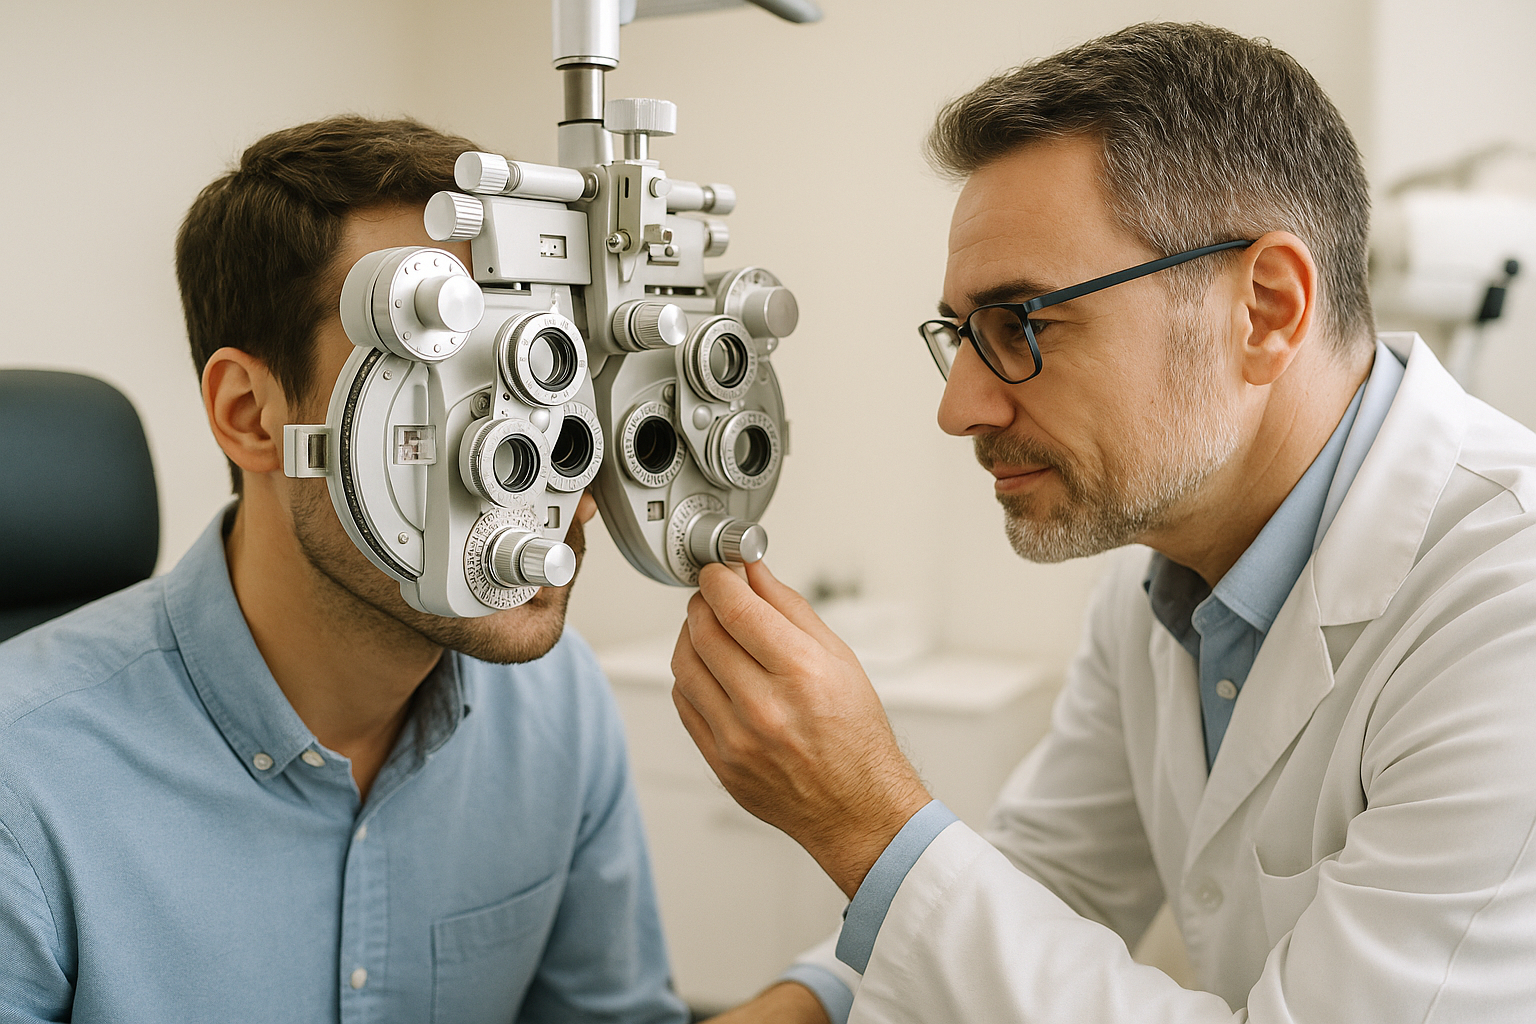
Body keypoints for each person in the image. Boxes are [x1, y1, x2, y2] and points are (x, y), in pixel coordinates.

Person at [674, 22, 1536, 1024]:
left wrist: (866, 818)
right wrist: (801, 1005)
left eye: (1021, 325)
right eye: (960, 336)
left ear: (1264, 308)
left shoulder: (1506, 607)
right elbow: (1050, 881)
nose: (960, 408)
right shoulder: (1157, 581)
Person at [0, 116, 687, 1024]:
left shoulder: (558, 705)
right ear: (252, 415)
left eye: (549, 382)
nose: (558, 483)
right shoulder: (26, 782)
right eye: (445, 386)